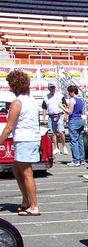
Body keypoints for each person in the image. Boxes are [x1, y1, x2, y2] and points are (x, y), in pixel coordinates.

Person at [0, 70, 41, 216]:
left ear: (14, 85)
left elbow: (9, 127)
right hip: (30, 138)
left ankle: (34, 205)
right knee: (16, 169)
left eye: (10, 84)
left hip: (25, 139)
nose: (9, 86)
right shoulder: (31, 100)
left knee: (26, 173)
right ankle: (26, 201)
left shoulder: (17, 103)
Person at [60, 85, 85, 166]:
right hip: (80, 120)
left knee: (73, 141)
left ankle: (76, 160)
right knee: (79, 140)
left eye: (69, 92)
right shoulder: (80, 100)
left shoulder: (72, 99)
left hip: (74, 120)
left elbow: (70, 112)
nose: (68, 93)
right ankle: (82, 159)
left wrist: (62, 107)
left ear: (72, 92)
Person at [42, 82, 67, 155]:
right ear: (48, 88)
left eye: (53, 87)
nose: (52, 89)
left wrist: (65, 115)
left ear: (55, 88)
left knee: (61, 132)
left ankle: (64, 146)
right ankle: (56, 148)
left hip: (60, 115)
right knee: (53, 133)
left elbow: (65, 105)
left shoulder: (60, 95)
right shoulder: (46, 97)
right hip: (51, 116)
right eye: (51, 88)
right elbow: (44, 107)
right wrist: (44, 118)